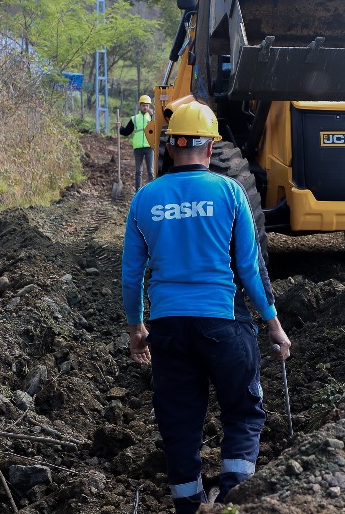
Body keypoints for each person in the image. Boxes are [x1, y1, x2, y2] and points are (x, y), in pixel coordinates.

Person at [121, 101, 291, 514]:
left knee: (179, 420)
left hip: (168, 328)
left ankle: (190, 505)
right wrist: (272, 322)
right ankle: (234, 498)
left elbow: (130, 274)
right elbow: (250, 266)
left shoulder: (145, 198)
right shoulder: (229, 191)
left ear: (171, 145)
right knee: (243, 409)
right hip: (224, 323)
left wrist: (136, 328)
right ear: (210, 147)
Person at [120, 95, 154, 190]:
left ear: (149, 106)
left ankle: (151, 190)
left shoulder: (152, 117)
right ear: (140, 106)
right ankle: (137, 190)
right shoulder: (134, 118)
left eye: (147, 105)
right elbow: (126, 132)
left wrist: (152, 116)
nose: (145, 107)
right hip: (138, 147)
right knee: (138, 171)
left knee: (150, 171)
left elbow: (157, 128)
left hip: (149, 147)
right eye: (143, 105)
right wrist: (119, 128)